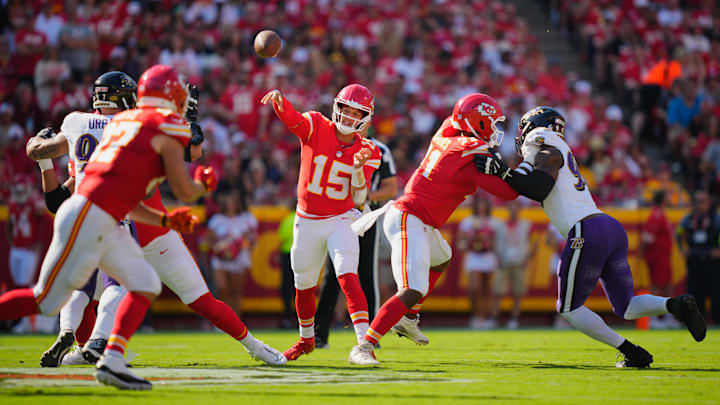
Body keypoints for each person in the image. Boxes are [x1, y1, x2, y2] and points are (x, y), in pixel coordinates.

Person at [23, 68, 287, 385]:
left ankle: (90, 345)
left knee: (85, 292)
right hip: (131, 225)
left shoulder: (84, 127)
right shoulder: (136, 125)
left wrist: (39, 152)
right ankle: (97, 347)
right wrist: (189, 125)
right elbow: (191, 154)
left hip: (126, 224)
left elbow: (59, 193)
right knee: (123, 291)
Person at [475, 106, 707, 367]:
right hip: (609, 227)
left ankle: (632, 351)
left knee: (568, 308)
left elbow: (539, 188)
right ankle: (675, 305)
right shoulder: (553, 150)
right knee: (626, 306)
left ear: (535, 126)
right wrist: (500, 171)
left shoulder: (542, 141)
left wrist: (501, 170)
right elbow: (522, 181)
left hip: (586, 230)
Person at [348, 93, 519, 364]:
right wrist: (519, 171)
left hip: (419, 219)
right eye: (492, 123)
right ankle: (364, 346)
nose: (495, 130)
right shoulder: (470, 151)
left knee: (442, 257)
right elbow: (509, 193)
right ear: (480, 123)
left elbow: (456, 121)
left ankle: (408, 317)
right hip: (409, 217)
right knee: (411, 288)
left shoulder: (449, 129)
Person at [261, 84, 381, 361]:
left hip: (342, 217)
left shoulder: (369, 150)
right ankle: (306, 340)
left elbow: (360, 197)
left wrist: (359, 169)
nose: (349, 117)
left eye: (356, 113)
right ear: (336, 107)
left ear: (366, 117)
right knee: (303, 282)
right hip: (308, 218)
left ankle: (364, 346)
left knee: (347, 273)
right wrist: (282, 102)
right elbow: (293, 121)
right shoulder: (316, 124)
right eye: (346, 110)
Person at [26, 71, 136, 367]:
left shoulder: (77, 123)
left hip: (77, 214)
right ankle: (99, 339)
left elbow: (54, 198)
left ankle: (66, 332)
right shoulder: (130, 125)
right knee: (120, 282)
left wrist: (42, 155)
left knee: (78, 286)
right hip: (111, 213)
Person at [314, 129, 398, 348]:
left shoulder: (379, 149)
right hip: (339, 215)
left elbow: (391, 188)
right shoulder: (334, 145)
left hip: (366, 215)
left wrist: (363, 196)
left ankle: (371, 333)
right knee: (332, 276)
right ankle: (319, 333)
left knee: (366, 273)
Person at [206, 189, 258, 318]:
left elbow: (252, 240)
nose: (231, 206)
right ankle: (221, 319)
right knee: (222, 288)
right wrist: (219, 247)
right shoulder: (216, 219)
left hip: (239, 258)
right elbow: (208, 240)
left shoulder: (245, 219)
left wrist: (239, 245)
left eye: (233, 203)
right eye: (228, 203)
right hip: (220, 259)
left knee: (236, 291)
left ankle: (235, 319)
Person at [457, 195, 501, 329]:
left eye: (484, 204)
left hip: (489, 257)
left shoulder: (494, 222)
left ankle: (485, 317)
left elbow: (498, 242)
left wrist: (488, 242)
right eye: (479, 204)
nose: (482, 207)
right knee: (474, 288)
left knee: (487, 288)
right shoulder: (467, 221)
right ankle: (476, 315)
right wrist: (471, 240)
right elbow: (461, 241)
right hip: (474, 257)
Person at [676, 191, 720, 324]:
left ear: (708, 203)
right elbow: (678, 234)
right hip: (694, 260)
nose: (699, 205)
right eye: (697, 202)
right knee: (694, 292)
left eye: (703, 202)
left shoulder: (716, 218)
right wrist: (683, 250)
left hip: (712, 261)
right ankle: (697, 321)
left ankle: (718, 320)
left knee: (716, 291)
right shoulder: (688, 219)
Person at [491, 199, 533, 329]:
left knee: (517, 294)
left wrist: (527, 259)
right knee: (497, 292)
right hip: (503, 262)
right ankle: (494, 319)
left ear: (519, 210)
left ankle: (514, 319)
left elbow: (534, 243)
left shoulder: (527, 224)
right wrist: (497, 257)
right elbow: (494, 242)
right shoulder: (500, 225)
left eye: (515, 208)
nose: (513, 211)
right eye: (511, 208)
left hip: (519, 262)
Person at [640, 191, 674, 328]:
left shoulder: (660, 214)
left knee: (665, 285)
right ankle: (655, 318)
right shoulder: (656, 215)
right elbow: (648, 237)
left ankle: (666, 316)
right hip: (657, 255)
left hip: (662, 255)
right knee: (657, 286)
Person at [277, 202, 296, 329]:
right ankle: (299, 318)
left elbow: (281, 238)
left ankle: (287, 317)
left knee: (286, 288)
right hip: (301, 254)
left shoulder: (287, 220)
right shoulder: (304, 219)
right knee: (298, 288)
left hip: (286, 254)